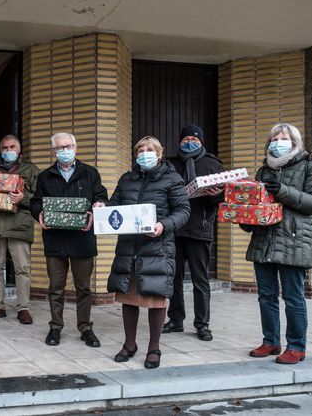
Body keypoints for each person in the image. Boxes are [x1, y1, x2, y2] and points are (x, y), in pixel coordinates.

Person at [243, 123, 312, 364]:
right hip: (263, 241)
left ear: (295, 142)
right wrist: (243, 217)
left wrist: (282, 190)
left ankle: (297, 347)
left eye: (283, 138)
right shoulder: (263, 171)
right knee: (266, 296)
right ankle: (270, 341)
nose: (277, 142)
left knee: (293, 297)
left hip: (293, 240)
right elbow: (257, 207)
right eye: (274, 138)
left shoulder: (310, 166)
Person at [107, 136, 190, 369]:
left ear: (160, 154)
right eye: (140, 150)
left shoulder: (172, 179)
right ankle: (130, 344)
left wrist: (163, 225)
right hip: (128, 247)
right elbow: (114, 205)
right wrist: (103, 208)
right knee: (128, 296)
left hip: (157, 247)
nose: (145, 153)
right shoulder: (126, 179)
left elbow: (183, 211)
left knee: (155, 298)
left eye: (150, 150)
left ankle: (154, 347)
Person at [30, 133, 108, 347]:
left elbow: (101, 196)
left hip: (82, 240)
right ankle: (55, 327)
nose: (65, 150)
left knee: (83, 287)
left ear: (76, 147)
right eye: (60, 148)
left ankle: (85, 328)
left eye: (68, 146)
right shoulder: (45, 176)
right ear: (53, 151)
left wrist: (99, 207)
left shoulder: (90, 173)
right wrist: (40, 215)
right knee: (56, 288)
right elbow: (36, 202)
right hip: (55, 240)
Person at [163, 125, 224, 341]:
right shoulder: (170, 165)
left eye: (194, 138)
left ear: (202, 141)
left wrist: (216, 195)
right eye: (186, 138)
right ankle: (176, 319)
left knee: (200, 280)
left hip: (200, 229)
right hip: (174, 230)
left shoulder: (213, 164)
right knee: (174, 278)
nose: (190, 141)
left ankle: (202, 324)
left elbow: (222, 198)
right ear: (179, 140)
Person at [0, 135, 39, 324]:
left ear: (19, 149)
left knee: (22, 268)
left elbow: (39, 197)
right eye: (5, 148)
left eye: (12, 147)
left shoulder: (30, 170)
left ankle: (23, 308)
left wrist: (23, 198)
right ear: (0, 150)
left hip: (19, 225)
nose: (8, 151)